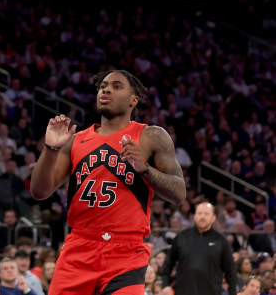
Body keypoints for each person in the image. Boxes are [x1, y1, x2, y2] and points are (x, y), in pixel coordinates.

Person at [30, 70, 186, 295]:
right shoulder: (75, 140)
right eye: (103, 86)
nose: (106, 89)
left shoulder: (150, 136)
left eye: (117, 86)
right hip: (79, 246)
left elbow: (179, 193)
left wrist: (145, 170)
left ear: (134, 100)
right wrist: (51, 148)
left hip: (126, 251)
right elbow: (39, 191)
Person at [161, 202, 237, 295]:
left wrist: (233, 292)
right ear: (194, 217)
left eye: (206, 213)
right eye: (199, 213)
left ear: (213, 218)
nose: (202, 216)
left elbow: (231, 272)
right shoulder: (182, 237)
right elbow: (168, 263)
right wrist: (165, 285)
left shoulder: (221, 241)